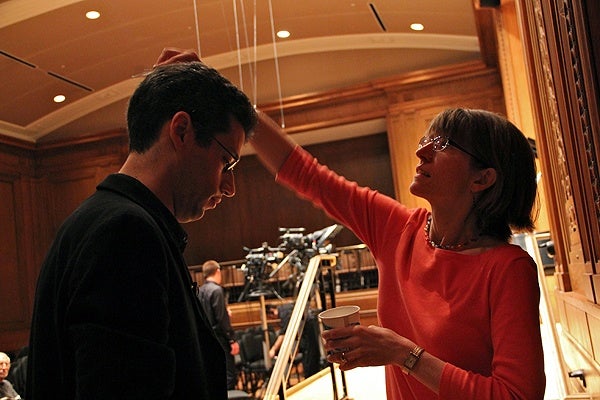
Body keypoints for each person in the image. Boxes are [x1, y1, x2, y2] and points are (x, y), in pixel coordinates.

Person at [249, 107, 546, 399]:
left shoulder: (509, 268)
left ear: (482, 179)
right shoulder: (399, 228)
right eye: (425, 140)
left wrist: (403, 353)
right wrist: (236, 106)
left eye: (442, 144)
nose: (422, 151)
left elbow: (517, 395)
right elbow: (307, 174)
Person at [26, 48, 257, 399]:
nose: (229, 187)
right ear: (181, 131)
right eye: (226, 162)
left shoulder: (105, 220)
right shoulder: (125, 234)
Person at [196, 260, 240, 390]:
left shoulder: (200, 290)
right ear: (218, 271)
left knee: (214, 373)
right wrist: (232, 339)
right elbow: (221, 318)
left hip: (206, 338)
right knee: (229, 374)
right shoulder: (216, 290)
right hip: (220, 337)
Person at [266, 303, 322, 378]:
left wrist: (273, 349)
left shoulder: (284, 313)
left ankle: (312, 378)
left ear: (272, 311)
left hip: (308, 329)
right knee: (312, 356)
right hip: (310, 327)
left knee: (310, 358)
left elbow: (283, 333)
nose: (273, 319)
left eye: (271, 317)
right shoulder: (286, 308)